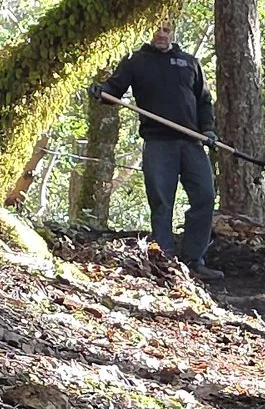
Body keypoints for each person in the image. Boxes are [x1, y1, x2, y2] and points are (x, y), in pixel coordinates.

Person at [92, 21, 218, 270]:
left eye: (167, 29)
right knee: (161, 201)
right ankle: (164, 260)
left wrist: (209, 131)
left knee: (205, 196)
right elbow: (114, 89)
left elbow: (204, 100)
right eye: (157, 29)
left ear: (173, 32)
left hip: (192, 142)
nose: (162, 34)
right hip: (158, 142)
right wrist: (101, 90)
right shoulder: (135, 61)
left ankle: (195, 259)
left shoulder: (190, 63)